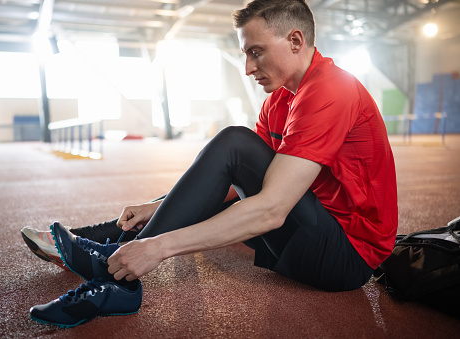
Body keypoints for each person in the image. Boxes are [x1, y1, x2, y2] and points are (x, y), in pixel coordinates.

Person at [26, 0, 398, 328]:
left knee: (234, 144)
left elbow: (270, 210)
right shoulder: (279, 100)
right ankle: (107, 243)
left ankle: (117, 269)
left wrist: (158, 247)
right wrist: (157, 207)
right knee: (225, 162)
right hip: (308, 231)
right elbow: (236, 183)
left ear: (296, 41)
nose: (250, 67)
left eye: (256, 52)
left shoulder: (331, 89)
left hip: (346, 259)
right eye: (245, 55)